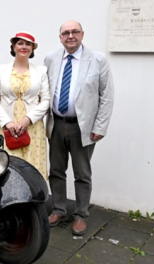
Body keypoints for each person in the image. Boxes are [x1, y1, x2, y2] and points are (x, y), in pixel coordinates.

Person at [44, 20, 114, 235]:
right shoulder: (50, 59)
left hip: (82, 127)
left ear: (82, 34)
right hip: (56, 124)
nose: (70, 36)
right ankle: (58, 209)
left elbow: (107, 96)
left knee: (82, 173)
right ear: (60, 37)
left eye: (75, 32)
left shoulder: (98, 60)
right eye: (66, 32)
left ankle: (81, 214)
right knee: (56, 170)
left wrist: (100, 126)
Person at [0, 31, 50, 178]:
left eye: (28, 44)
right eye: (20, 43)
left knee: (33, 165)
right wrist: (8, 123)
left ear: (32, 48)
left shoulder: (41, 71)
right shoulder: (0, 70)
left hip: (33, 126)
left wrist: (27, 119)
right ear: (14, 47)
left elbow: (46, 100)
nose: (24, 47)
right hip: (6, 126)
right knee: (5, 164)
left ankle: (34, 199)